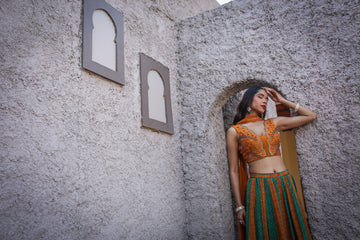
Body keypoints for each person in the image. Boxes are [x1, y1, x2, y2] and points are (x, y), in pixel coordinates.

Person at [226, 86, 316, 240]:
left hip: (284, 183)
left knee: (291, 228)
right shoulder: (234, 131)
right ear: (248, 99)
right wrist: (239, 206)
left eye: (266, 99)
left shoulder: (274, 123)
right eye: (260, 97)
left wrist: (282, 101)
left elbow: (311, 115)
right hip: (259, 187)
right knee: (266, 231)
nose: (264, 101)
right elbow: (233, 170)